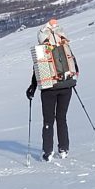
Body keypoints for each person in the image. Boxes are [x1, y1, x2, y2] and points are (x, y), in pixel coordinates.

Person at [26, 18, 78, 161]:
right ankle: (64, 149)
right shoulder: (64, 44)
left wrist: (32, 88)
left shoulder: (43, 49)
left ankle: (48, 152)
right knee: (62, 118)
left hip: (49, 88)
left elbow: (38, 70)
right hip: (67, 86)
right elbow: (75, 65)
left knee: (48, 120)